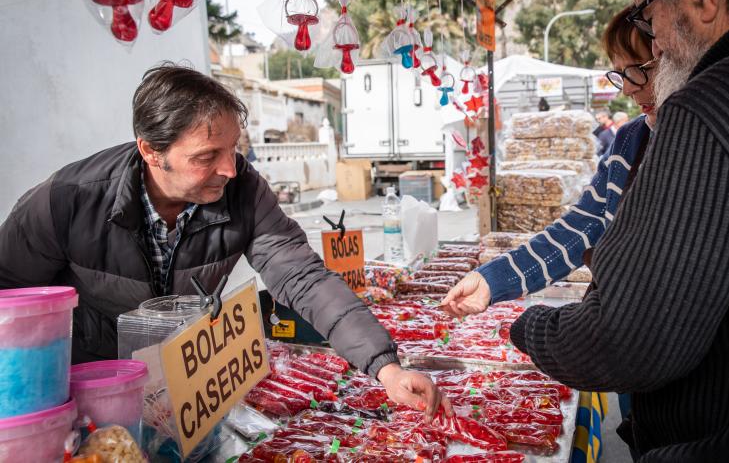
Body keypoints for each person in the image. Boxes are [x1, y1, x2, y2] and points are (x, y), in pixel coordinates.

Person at [458, 0, 729, 460]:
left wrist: (527, 326)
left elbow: (628, 340)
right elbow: (585, 225)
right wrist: (496, 279)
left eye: (647, 16)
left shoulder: (716, 103)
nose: (655, 42)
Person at [0, 63, 450, 421]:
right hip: (86, 389)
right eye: (206, 157)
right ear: (151, 151)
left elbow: (301, 276)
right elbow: (10, 303)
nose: (230, 169)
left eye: (234, 149)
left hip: (184, 386)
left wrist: (384, 366)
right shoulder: (66, 200)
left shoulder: (243, 190)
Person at [442, 2, 656, 332]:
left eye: (639, 69)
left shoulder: (703, 143)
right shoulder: (630, 140)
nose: (628, 88)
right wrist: (490, 280)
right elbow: (580, 228)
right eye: (620, 74)